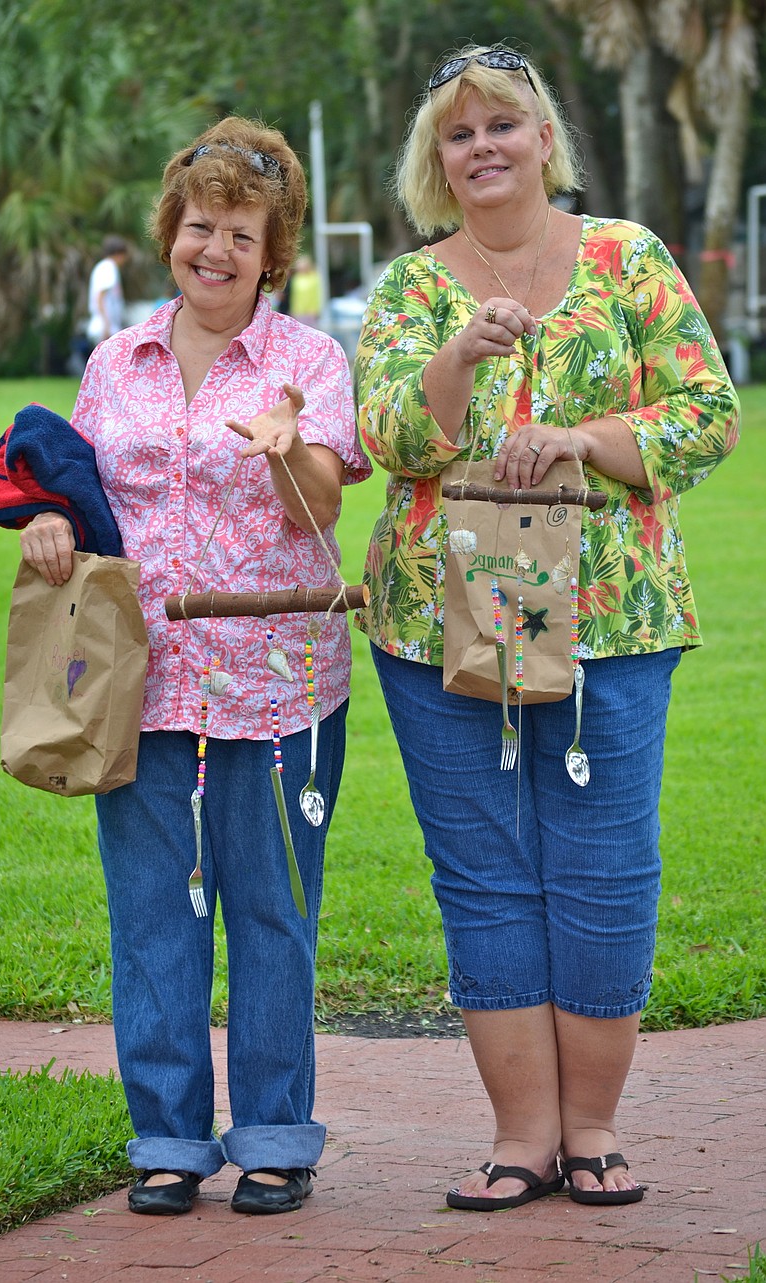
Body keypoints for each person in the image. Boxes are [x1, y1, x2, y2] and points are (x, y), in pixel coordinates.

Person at [354, 45, 739, 1211]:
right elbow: (383, 436)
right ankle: (521, 1135)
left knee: (602, 870)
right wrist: (456, 367)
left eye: (502, 126)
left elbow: (706, 413)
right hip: (439, 625)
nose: (482, 148)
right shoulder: (416, 287)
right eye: (459, 134)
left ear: (542, 141)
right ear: (438, 159)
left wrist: (580, 439)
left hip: (612, 620)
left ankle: (595, 1128)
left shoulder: (628, 258)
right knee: (482, 874)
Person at [0, 117, 371, 1216]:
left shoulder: (306, 360)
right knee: (154, 911)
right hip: (137, 679)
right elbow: (77, 494)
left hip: (279, 676)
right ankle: (166, 1136)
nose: (216, 250)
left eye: (240, 235)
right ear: (173, 231)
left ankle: (275, 1136)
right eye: (200, 226)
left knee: (270, 912)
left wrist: (284, 441)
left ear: (272, 251)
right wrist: (48, 525)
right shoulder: (116, 361)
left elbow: (328, 497)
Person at [86, 235, 129, 345]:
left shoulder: (103, 267)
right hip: (104, 326)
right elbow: (100, 296)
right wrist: (106, 325)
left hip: (106, 325)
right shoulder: (108, 268)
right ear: (119, 254)